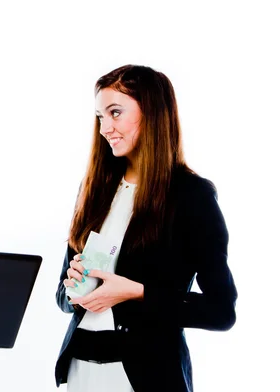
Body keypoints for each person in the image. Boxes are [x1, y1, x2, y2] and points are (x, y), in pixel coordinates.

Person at [54, 65, 238, 392]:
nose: (105, 128)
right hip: (82, 373)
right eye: (100, 116)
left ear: (152, 113)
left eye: (115, 113)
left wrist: (137, 292)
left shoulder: (191, 196)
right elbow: (62, 297)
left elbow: (221, 311)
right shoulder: (94, 190)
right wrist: (73, 291)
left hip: (145, 377)